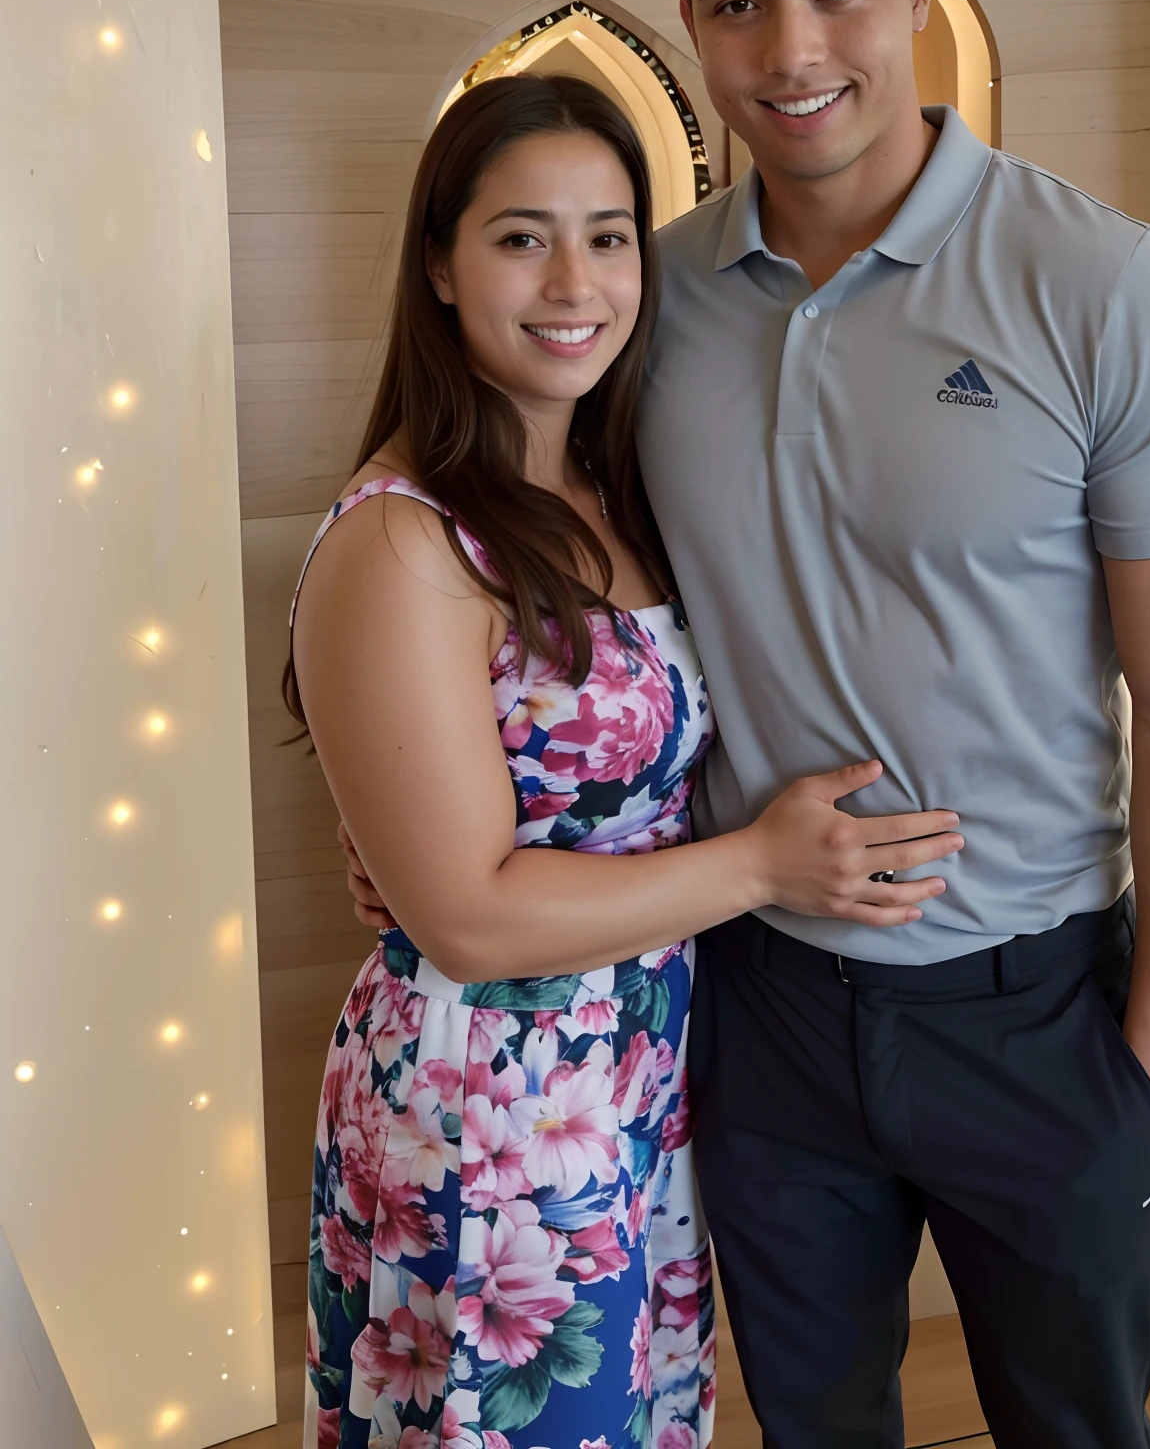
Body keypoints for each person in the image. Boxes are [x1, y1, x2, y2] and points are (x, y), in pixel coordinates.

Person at [345, 0, 1150, 1448]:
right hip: (752, 1014)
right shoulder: (646, 299)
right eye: (737, 2)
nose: (792, 48)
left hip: (1035, 1015)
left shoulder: (1103, 283)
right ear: (690, 20)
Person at [290, 73, 965, 1449]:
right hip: (489, 1111)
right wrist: (767, 864)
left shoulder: (611, 488)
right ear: (438, 262)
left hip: (632, 1084)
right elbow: (468, 917)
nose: (574, 280)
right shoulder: (402, 543)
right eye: (520, 235)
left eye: (608, 236)